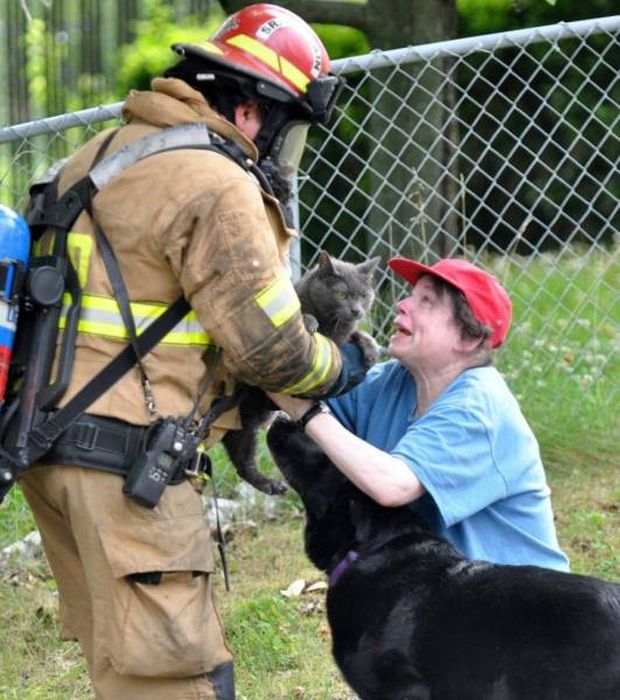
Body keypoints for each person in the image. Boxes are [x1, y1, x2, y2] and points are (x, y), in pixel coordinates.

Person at [15, 5, 371, 699]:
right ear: (248, 112)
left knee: (125, 667)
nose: (281, 152)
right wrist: (345, 365)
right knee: (179, 677)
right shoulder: (216, 182)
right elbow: (273, 352)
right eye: (286, 129)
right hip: (125, 462)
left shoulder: (97, 157)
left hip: (51, 448)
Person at [269, 257, 570, 572]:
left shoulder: (478, 408)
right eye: (411, 294)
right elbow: (293, 391)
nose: (402, 304)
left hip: (519, 608)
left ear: (469, 338)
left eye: (426, 301)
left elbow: (393, 486)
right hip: (438, 592)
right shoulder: (393, 381)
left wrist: (306, 412)